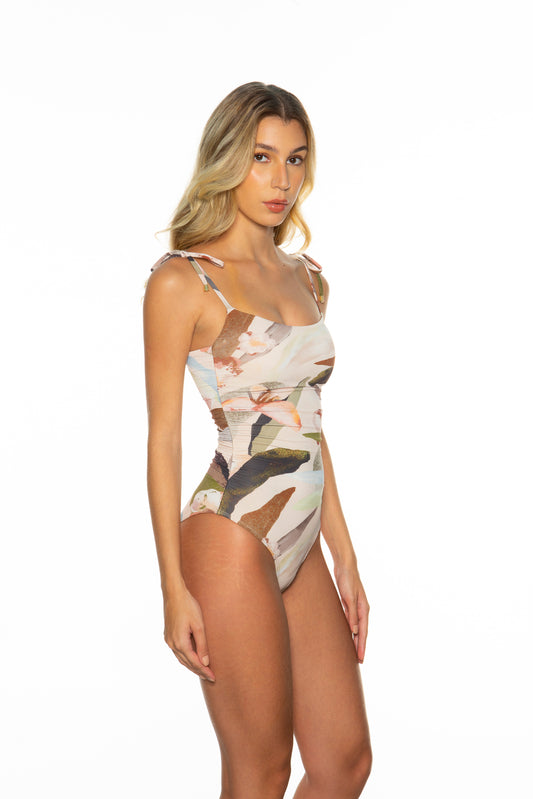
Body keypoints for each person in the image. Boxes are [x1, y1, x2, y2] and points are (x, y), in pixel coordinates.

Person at [142, 81, 372, 799]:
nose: (280, 180)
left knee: (343, 764)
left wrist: (344, 555)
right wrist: (172, 588)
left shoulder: (308, 278)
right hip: (231, 529)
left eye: (295, 160)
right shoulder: (184, 281)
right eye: (261, 157)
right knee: (260, 771)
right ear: (227, 160)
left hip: (301, 533)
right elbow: (162, 439)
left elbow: (307, 423)